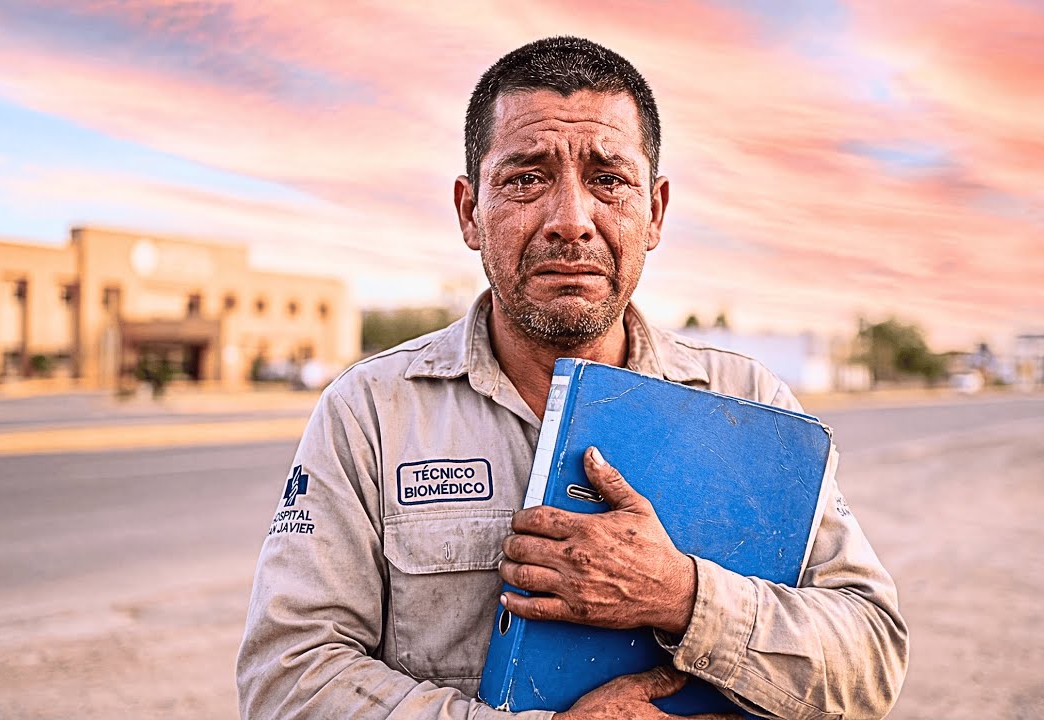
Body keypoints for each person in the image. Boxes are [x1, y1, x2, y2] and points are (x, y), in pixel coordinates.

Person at [237, 37, 908, 720]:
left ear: (656, 212)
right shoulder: (373, 413)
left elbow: (870, 660)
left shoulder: (750, 405)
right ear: (471, 212)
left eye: (609, 179)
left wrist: (682, 596)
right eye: (527, 177)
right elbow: (289, 679)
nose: (570, 220)